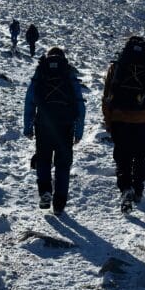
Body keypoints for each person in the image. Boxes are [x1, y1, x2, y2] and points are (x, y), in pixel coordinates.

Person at [102, 36, 145, 212]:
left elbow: (107, 97)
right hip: (141, 121)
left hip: (119, 120)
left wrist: (108, 122)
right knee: (140, 156)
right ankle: (138, 189)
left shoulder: (116, 67)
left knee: (122, 158)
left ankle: (125, 189)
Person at [23, 47, 86, 215]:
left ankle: (44, 191)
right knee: (63, 165)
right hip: (65, 127)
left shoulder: (41, 72)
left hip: (43, 125)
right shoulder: (68, 74)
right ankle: (59, 204)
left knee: (43, 161)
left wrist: (28, 127)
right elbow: (80, 104)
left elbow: (30, 101)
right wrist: (79, 132)